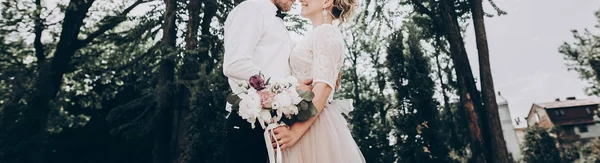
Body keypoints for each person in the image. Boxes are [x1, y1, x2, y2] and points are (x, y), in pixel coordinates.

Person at [269, 0, 366, 161]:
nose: (301, 0)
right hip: (304, 118)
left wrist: (294, 133)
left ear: (327, 2)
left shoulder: (326, 32)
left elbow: (324, 88)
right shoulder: (317, 34)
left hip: (313, 126)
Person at [221, 0, 312, 162]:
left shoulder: (271, 16)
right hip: (249, 125)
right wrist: (288, 88)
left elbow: (276, 65)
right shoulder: (252, 8)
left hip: (271, 125)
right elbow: (235, 64)